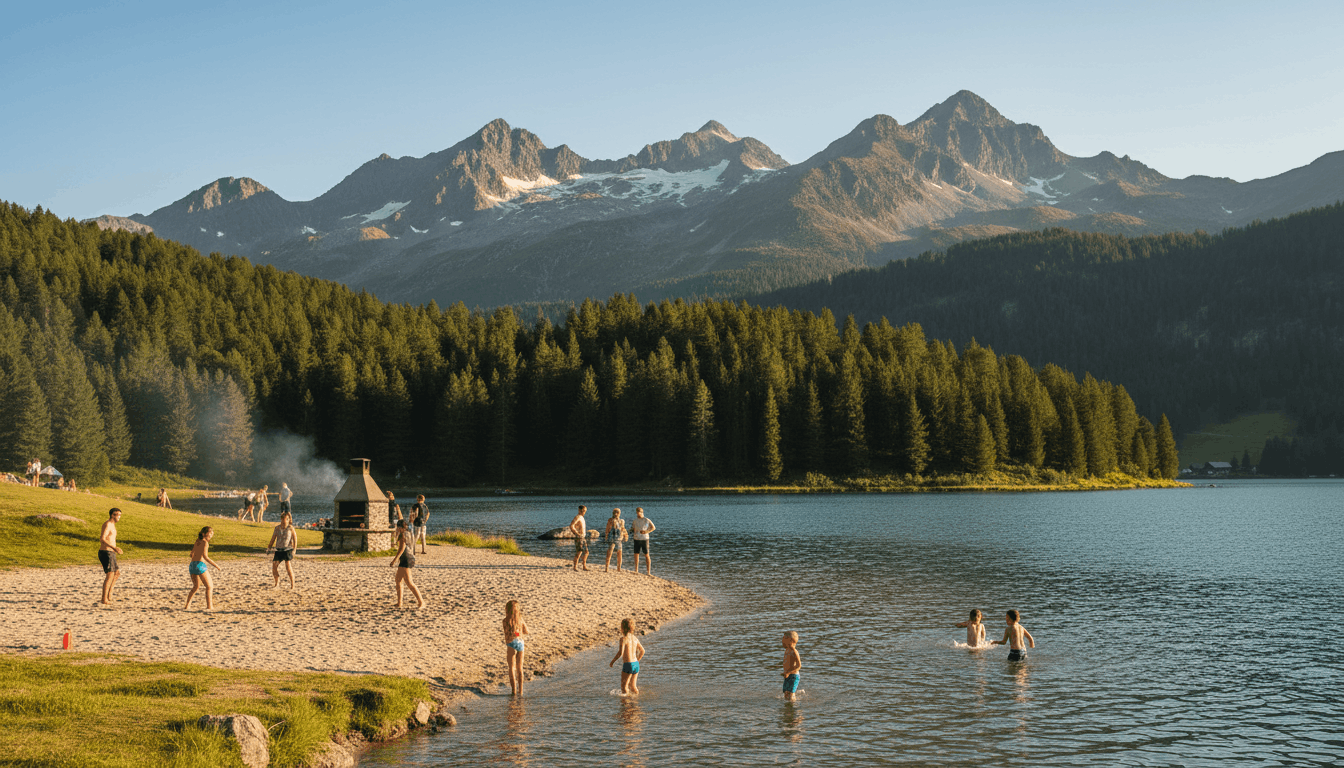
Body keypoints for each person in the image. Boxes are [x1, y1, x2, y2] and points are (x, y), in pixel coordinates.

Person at [184, 526, 222, 610]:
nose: (211, 535)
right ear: (204, 534)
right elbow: (206, 557)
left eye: (212, 533)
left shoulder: (197, 541)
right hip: (199, 565)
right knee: (209, 586)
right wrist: (216, 566)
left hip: (192, 565)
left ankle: (187, 605)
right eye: (210, 533)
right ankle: (209, 606)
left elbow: (191, 554)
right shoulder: (205, 543)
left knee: (196, 587)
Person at [389, 519, 424, 609]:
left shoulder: (402, 535)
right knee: (398, 580)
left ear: (400, 527)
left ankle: (421, 602)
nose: (397, 529)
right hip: (408, 558)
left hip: (406, 559)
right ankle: (399, 603)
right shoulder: (409, 533)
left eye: (398, 527)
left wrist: (394, 560)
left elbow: (401, 549)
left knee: (409, 583)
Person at [609, 617, 645, 695]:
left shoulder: (623, 639)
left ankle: (626, 705)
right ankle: (636, 703)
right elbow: (642, 651)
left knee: (624, 687)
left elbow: (620, 653)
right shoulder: (635, 638)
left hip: (628, 664)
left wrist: (612, 662)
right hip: (636, 664)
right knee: (633, 686)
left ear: (622, 628)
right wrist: (637, 660)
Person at [503, 600, 529, 695]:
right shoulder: (520, 619)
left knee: (511, 668)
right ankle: (521, 691)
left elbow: (507, 633)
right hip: (520, 642)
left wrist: (515, 633)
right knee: (520, 668)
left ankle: (513, 691)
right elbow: (526, 631)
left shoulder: (505, 621)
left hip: (511, 644)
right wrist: (518, 632)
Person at [267, 511, 298, 589]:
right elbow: (273, 538)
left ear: (288, 520)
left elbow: (295, 539)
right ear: (281, 519)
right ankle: (276, 584)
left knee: (288, 567)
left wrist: (294, 550)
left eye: (286, 520)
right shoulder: (277, 528)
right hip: (278, 550)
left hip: (287, 550)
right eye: (282, 520)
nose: (284, 522)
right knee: (274, 567)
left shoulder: (290, 528)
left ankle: (292, 585)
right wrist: (269, 548)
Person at [98, 508, 123, 605]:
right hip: (106, 552)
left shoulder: (113, 525)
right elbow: (102, 539)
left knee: (116, 573)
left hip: (111, 552)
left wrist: (114, 549)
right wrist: (115, 548)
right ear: (113, 515)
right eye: (118, 515)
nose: (119, 517)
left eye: (120, 515)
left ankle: (109, 595)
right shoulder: (108, 524)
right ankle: (104, 599)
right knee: (110, 575)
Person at [630, 507, 655, 575]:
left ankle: (648, 572)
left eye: (640, 512)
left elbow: (653, 527)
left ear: (642, 512)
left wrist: (647, 531)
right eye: (637, 513)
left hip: (645, 539)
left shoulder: (646, 520)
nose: (639, 514)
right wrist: (628, 531)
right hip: (636, 539)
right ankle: (636, 570)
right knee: (636, 554)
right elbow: (633, 529)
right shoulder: (635, 520)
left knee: (646, 555)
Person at [603, 508, 627, 573]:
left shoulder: (621, 521)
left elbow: (623, 529)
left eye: (617, 512)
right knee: (610, 553)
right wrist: (606, 536)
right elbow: (607, 528)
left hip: (619, 539)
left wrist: (625, 535)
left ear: (619, 513)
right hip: (612, 538)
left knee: (619, 553)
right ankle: (606, 568)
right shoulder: (611, 520)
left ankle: (619, 568)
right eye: (615, 512)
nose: (616, 514)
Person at [781, 630, 802, 702]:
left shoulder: (794, 651)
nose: (782, 641)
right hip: (787, 675)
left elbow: (799, 666)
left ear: (791, 641)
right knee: (786, 693)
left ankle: (793, 708)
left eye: (784, 639)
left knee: (790, 695)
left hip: (794, 676)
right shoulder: (787, 650)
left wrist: (789, 673)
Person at [569, 505, 589, 572]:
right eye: (583, 511)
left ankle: (584, 566)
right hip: (579, 537)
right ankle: (575, 567)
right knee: (579, 552)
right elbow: (571, 525)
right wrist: (576, 533)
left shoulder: (581, 517)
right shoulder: (577, 517)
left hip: (583, 537)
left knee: (586, 552)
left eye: (585, 511)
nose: (584, 512)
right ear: (579, 510)